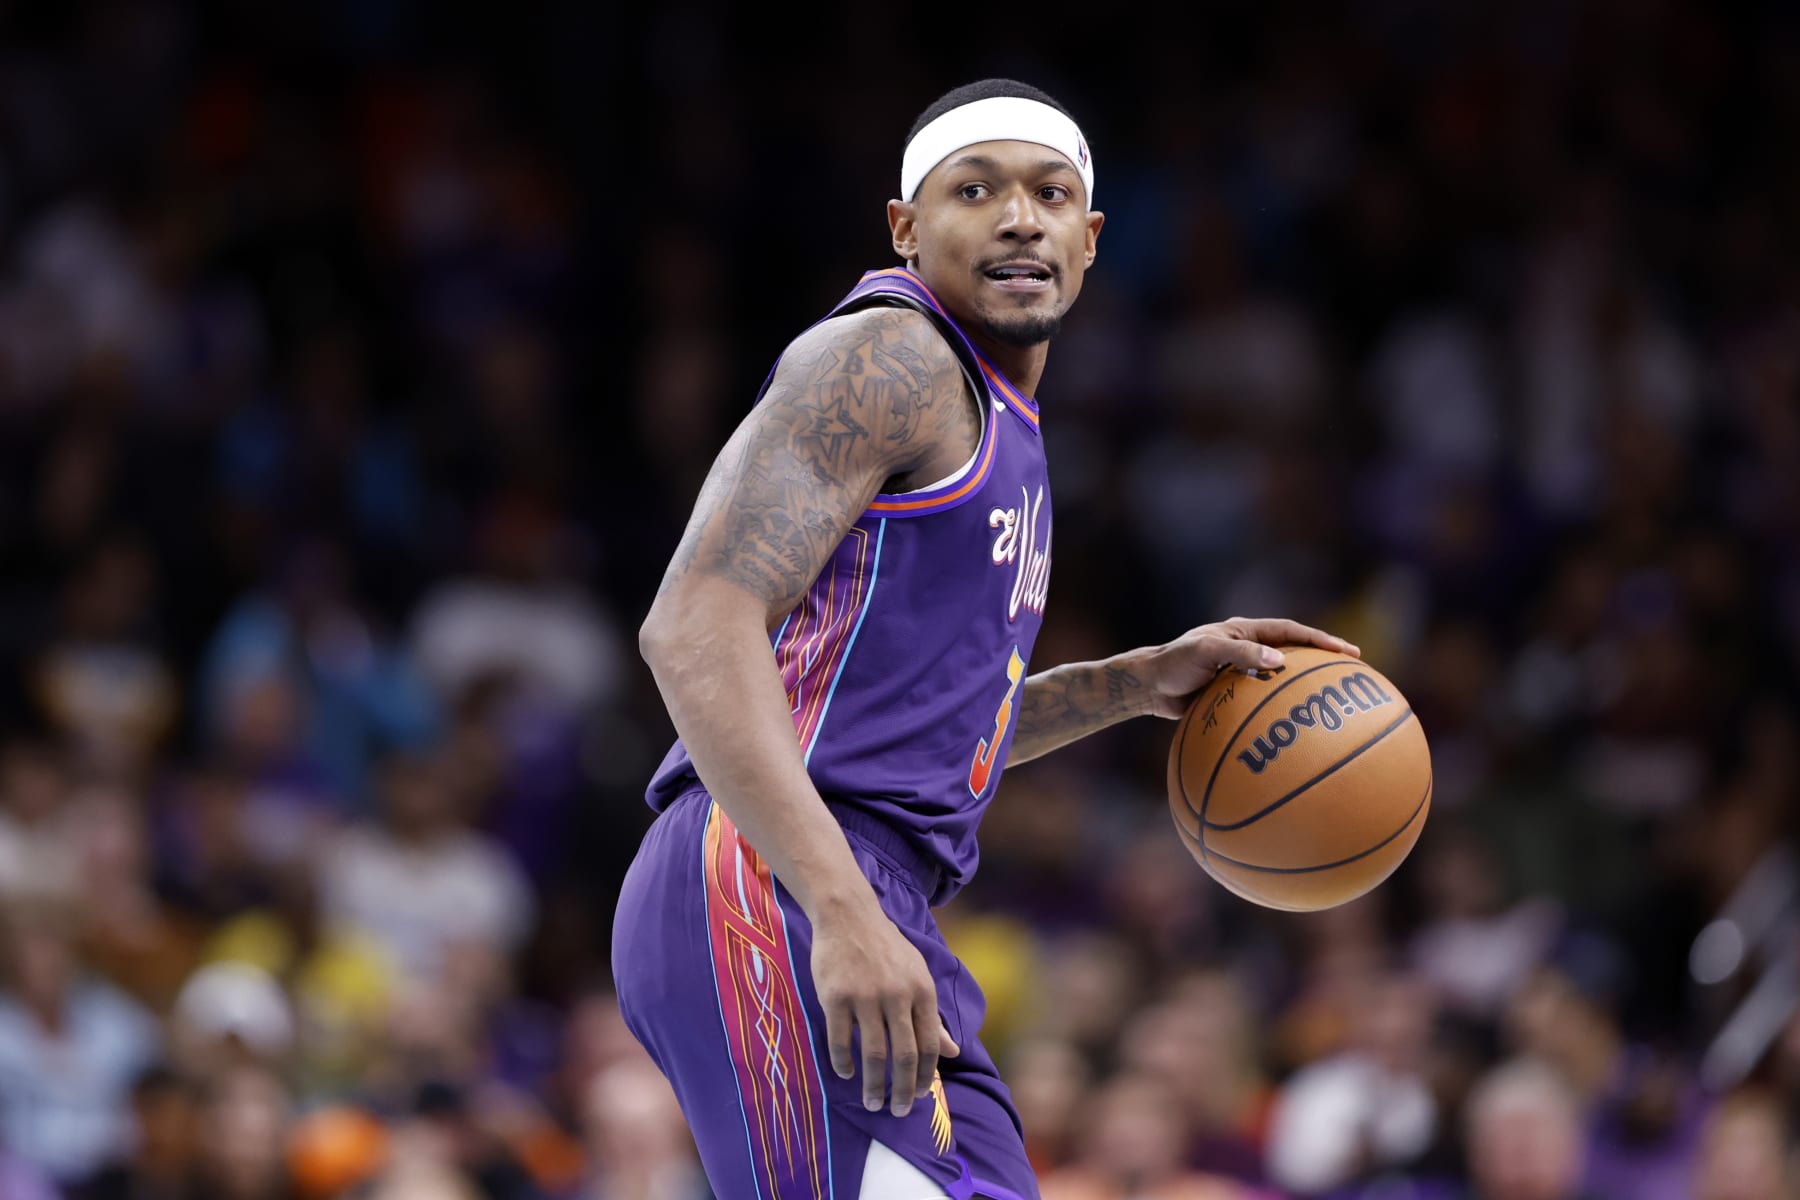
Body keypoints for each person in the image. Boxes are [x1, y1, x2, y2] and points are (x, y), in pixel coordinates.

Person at [615, 77, 1358, 1199]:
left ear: (1091, 237)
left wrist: (1134, 682)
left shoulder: (1001, 419)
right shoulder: (893, 359)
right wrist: (841, 909)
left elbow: (916, 732)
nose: (1020, 216)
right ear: (907, 229)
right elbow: (690, 627)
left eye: (1050, 194)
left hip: (865, 887)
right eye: (977, 190)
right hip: (772, 875)